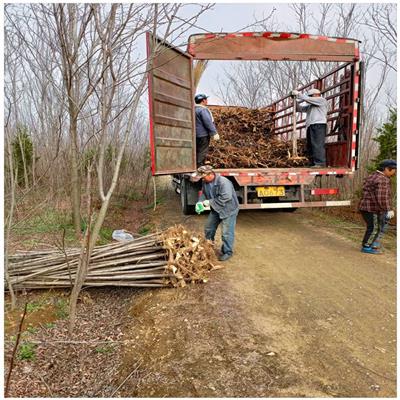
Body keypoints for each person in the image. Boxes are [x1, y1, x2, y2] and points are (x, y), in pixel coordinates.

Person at [193, 165, 239, 261]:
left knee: (226, 233)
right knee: (209, 228)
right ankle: (208, 247)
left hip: (228, 209)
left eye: (203, 176)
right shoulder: (205, 182)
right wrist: (200, 202)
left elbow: (226, 197)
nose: (202, 178)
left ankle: (227, 252)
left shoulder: (223, 182)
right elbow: (204, 194)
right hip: (216, 208)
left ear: (210, 174)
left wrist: (209, 202)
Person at [358, 159, 396, 254]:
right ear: (387, 169)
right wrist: (388, 209)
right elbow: (382, 198)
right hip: (372, 208)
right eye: (394, 170)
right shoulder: (382, 179)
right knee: (374, 228)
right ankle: (367, 246)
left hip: (365, 207)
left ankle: (372, 244)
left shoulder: (373, 176)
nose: (395, 172)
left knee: (373, 227)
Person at [292, 88, 328, 167]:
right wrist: (294, 101)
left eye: (311, 96)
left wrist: (298, 94)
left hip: (319, 125)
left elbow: (307, 99)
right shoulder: (311, 106)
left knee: (317, 144)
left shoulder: (321, 100)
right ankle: (312, 163)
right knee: (311, 145)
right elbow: (299, 109)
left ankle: (320, 163)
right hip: (311, 126)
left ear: (316, 95)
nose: (310, 98)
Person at [195, 94, 220, 167]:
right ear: (203, 100)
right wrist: (214, 133)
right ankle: (199, 167)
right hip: (203, 135)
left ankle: (195, 165)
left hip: (194, 135)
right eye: (206, 99)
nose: (207, 101)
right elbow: (208, 122)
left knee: (196, 151)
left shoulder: (193, 109)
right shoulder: (203, 110)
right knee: (202, 151)